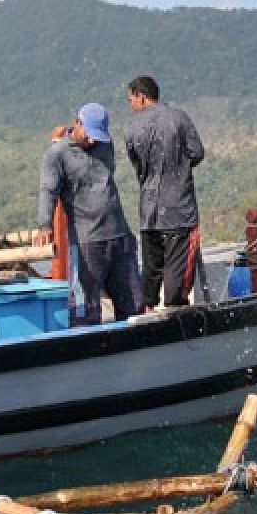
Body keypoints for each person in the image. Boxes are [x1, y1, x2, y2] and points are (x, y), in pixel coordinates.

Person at [36, 103, 144, 327]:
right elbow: (48, 190)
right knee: (85, 309)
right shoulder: (58, 155)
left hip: (119, 236)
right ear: (77, 123)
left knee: (134, 305)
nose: (93, 141)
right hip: (87, 242)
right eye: (89, 134)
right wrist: (45, 226)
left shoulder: (105, 145)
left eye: (98, 136)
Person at [124, 75, 206, 310]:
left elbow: (137, 164)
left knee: (151, 268)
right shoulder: (178, 117)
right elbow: (197, 152)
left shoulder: (132, 127)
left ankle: (148, 310)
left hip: (148, 210)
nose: (131, 105)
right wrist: (178, 166)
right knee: (177, 269)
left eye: (131, 99)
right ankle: (175, 312)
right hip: (178, 209)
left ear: (142, 96)